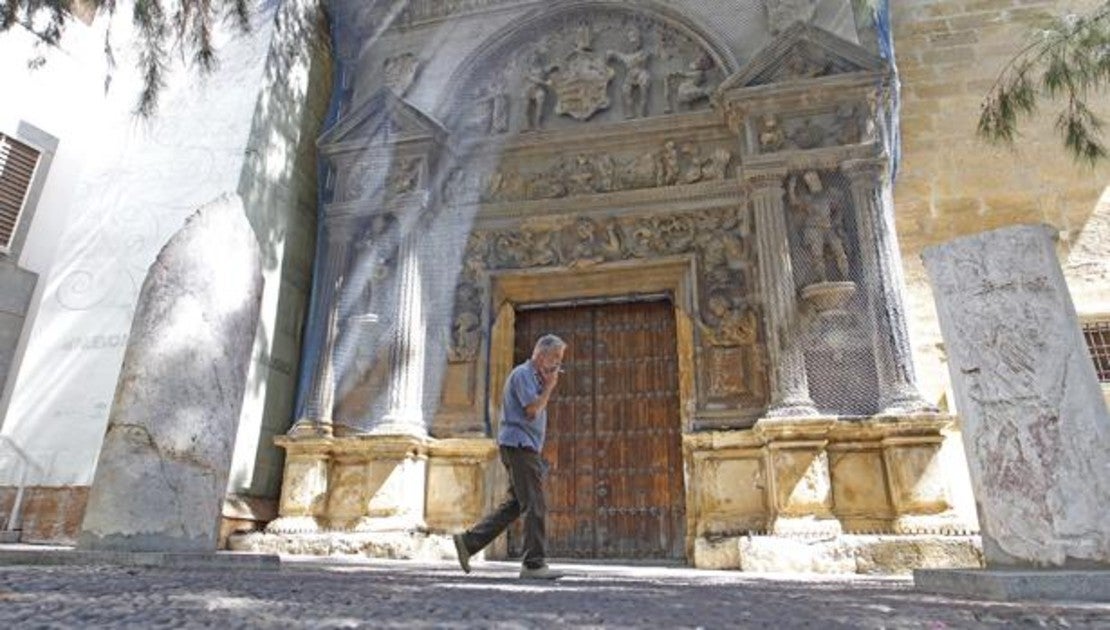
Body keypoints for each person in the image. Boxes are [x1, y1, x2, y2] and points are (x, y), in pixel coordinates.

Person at [453, 334, 567, 579]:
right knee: (534, 503)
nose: (558, 364)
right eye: (555, 357)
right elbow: (532, 410)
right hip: (519, 445)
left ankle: (469, 542)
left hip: (525, 447)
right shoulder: (523, 375)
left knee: (516, 504)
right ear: (540, 354)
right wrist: (549, 386)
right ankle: (533, 564)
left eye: (560, 359)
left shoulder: (535, 378)